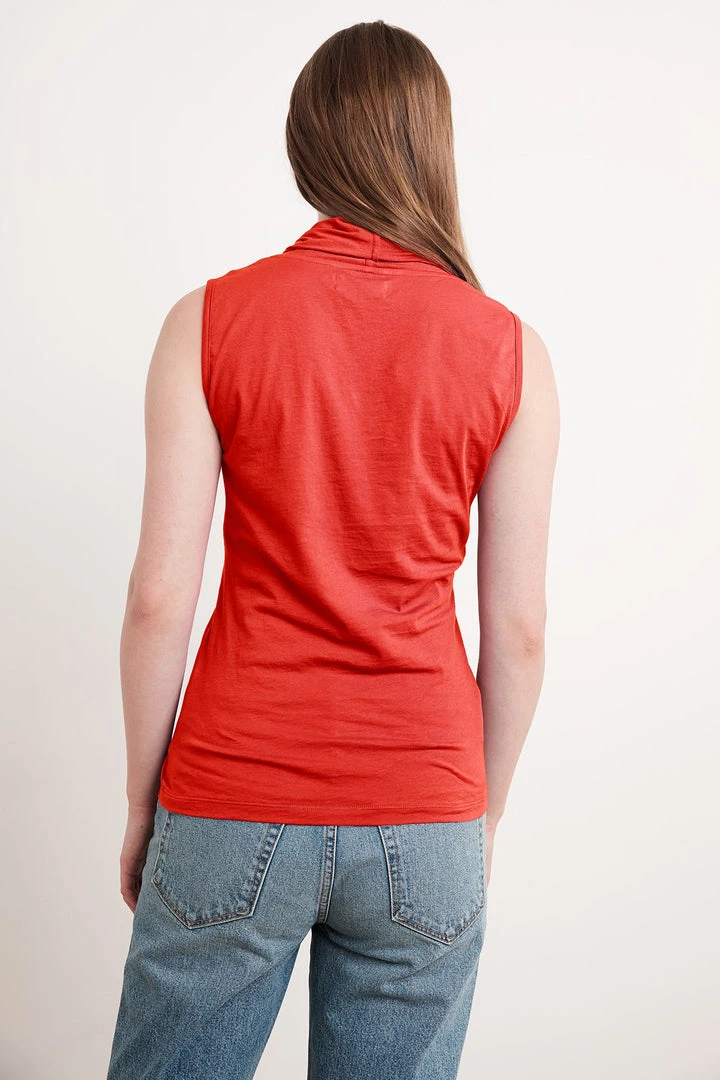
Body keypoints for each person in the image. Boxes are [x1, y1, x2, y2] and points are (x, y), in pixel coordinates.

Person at [106, 18, 560, 1080]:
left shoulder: (207, 321)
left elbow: (159, 596)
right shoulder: (511, 350)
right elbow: (521, 631)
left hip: (232, 788)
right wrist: (479, 813)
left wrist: (142, 800)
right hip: (427, 803)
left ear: (306, 144)